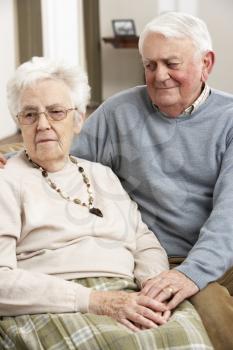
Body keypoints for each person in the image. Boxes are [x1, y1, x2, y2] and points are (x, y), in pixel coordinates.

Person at [0, 57, 212, 350]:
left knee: (185, 339)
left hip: (130, 292)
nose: (43, 125)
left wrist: (153, 288)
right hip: (55, 300)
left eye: (56, 112)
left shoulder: (101, 174)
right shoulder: (6, 180)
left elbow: (144, 241)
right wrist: (96, 302)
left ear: (78, 120)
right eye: (30, 115)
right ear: (18, 123)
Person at [66, 11, 232, 350]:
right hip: (160, 257)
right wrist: (15, 159)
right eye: (150, 64)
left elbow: (229, 215)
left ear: (206, 63)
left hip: (220, 250)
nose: (160, 76)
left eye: (172, 63)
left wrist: (192, 272)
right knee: (213, 311)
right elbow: (67, 163)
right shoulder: (118, 112)